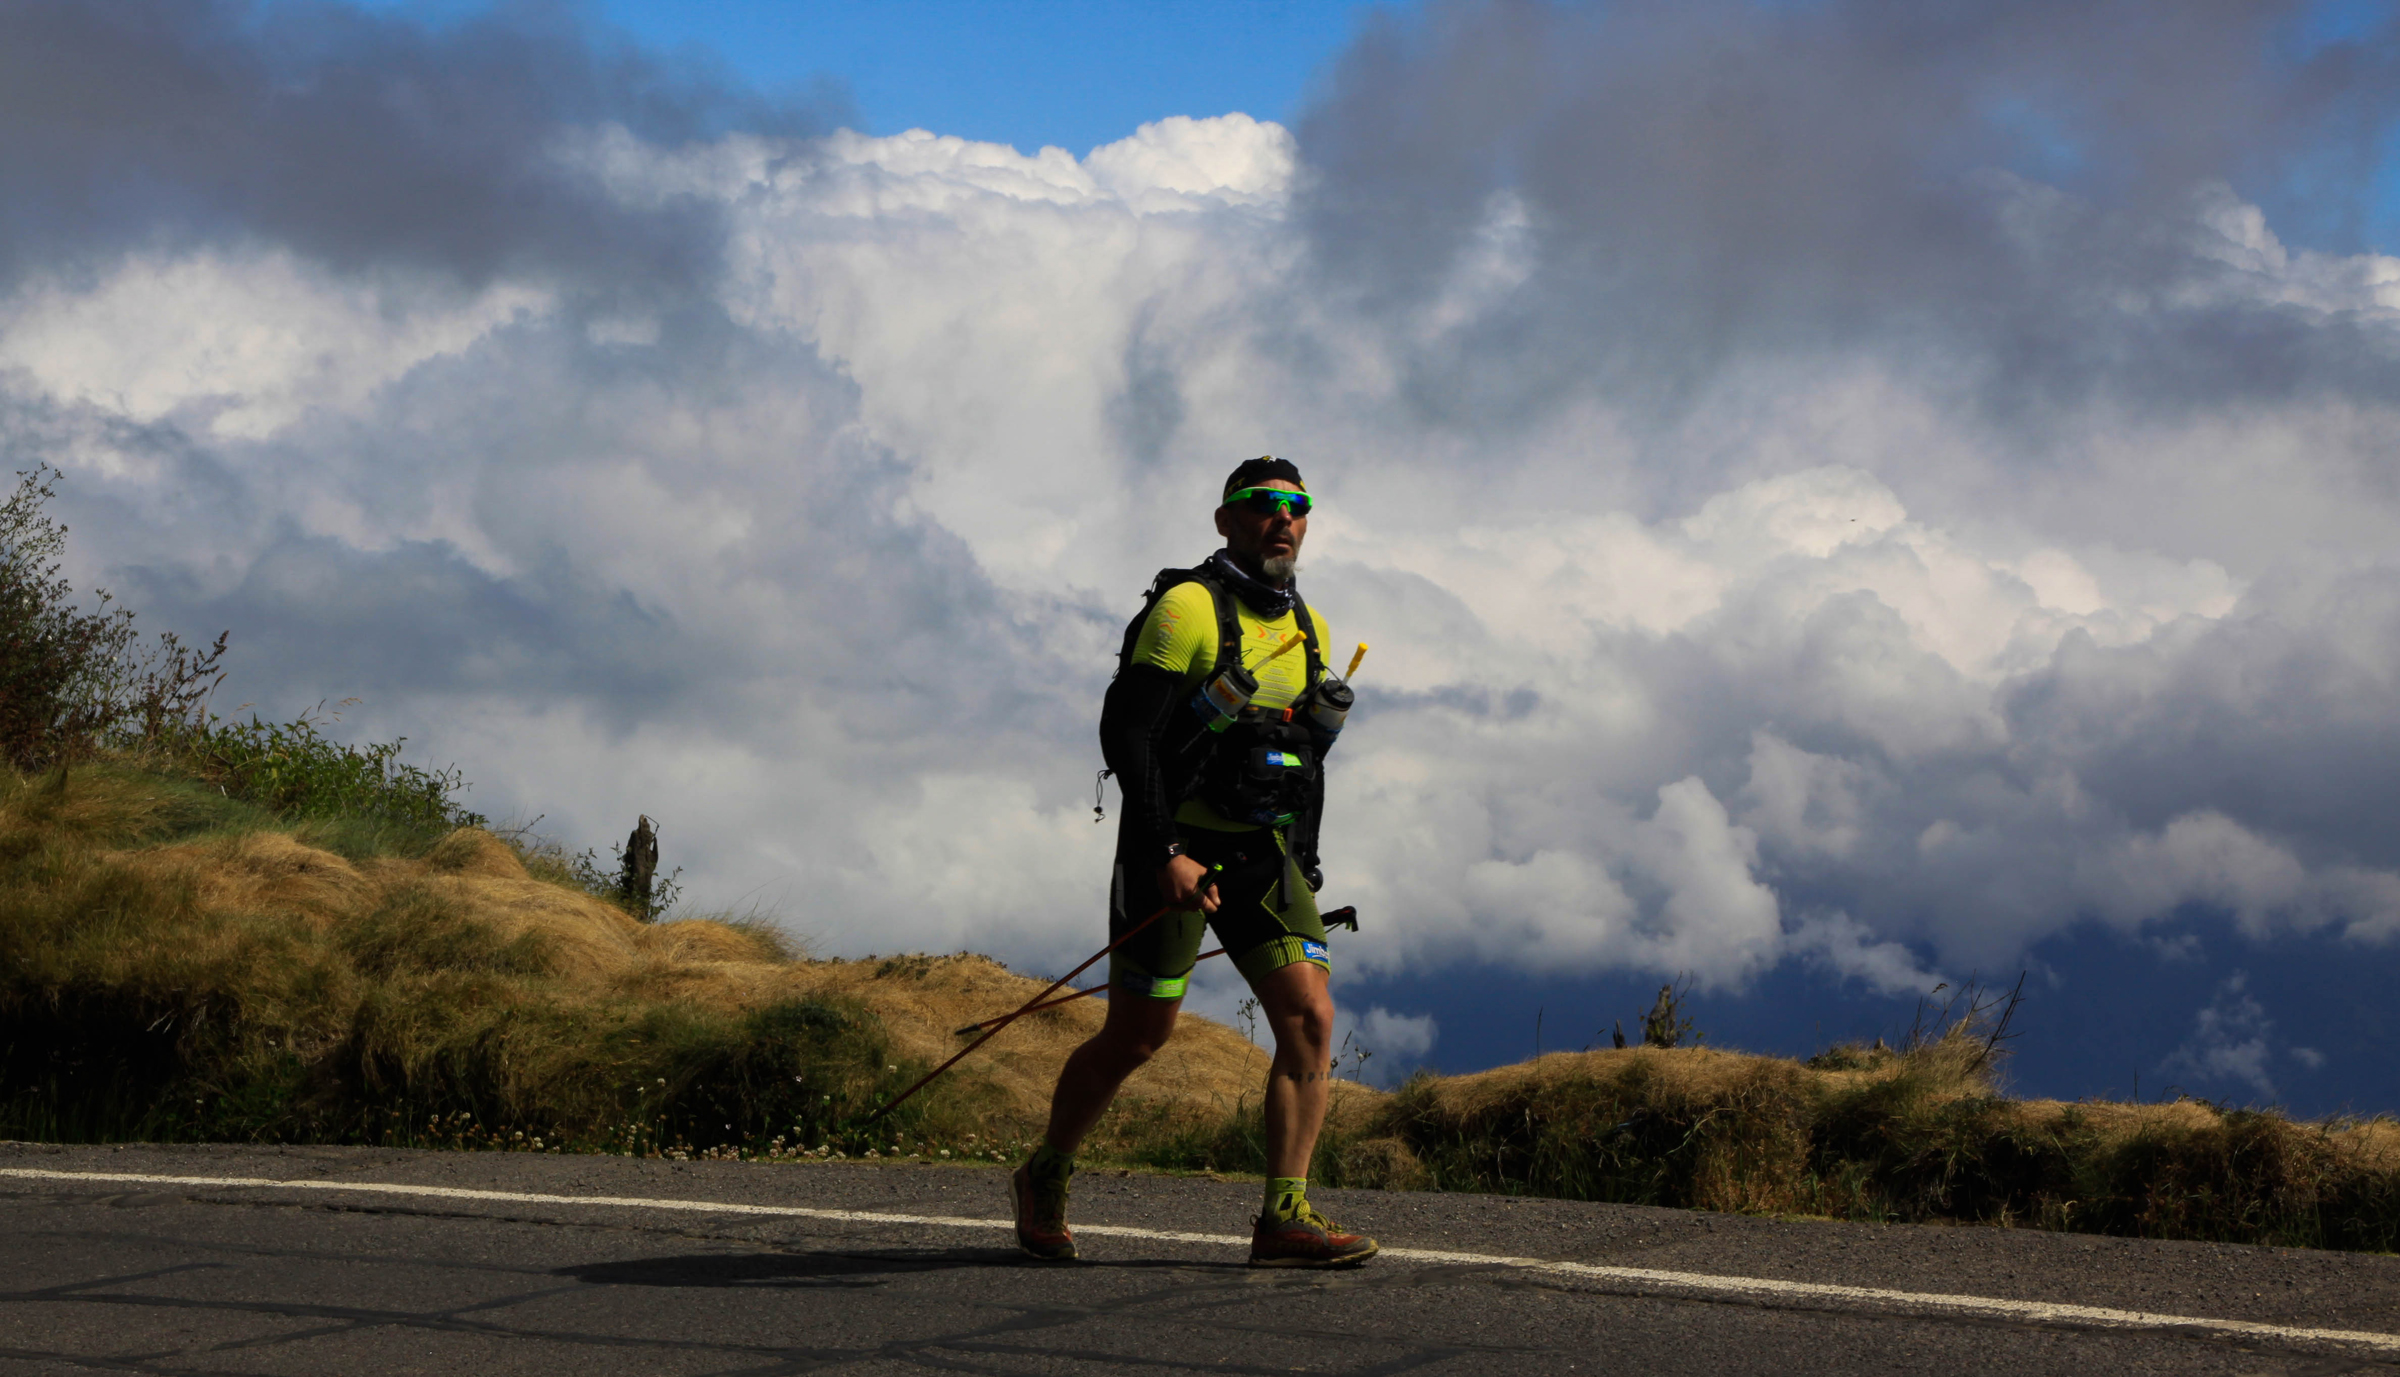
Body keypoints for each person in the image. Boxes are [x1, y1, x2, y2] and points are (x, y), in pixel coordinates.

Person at [1010, 456, 1376, 1268]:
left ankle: (1285, 1215)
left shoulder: (1305, 624)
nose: (1282, 518)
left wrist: (1304, 856)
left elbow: (1300, 752)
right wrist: (1165, 852)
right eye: (1261, 505)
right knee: (1141, 1036)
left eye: (1297, 506)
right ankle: (1046, 1172)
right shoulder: (1187, 608)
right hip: (1173, 848)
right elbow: (1128, 736)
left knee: (1310, 1019)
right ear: (1225, 520)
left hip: (1263, 855)